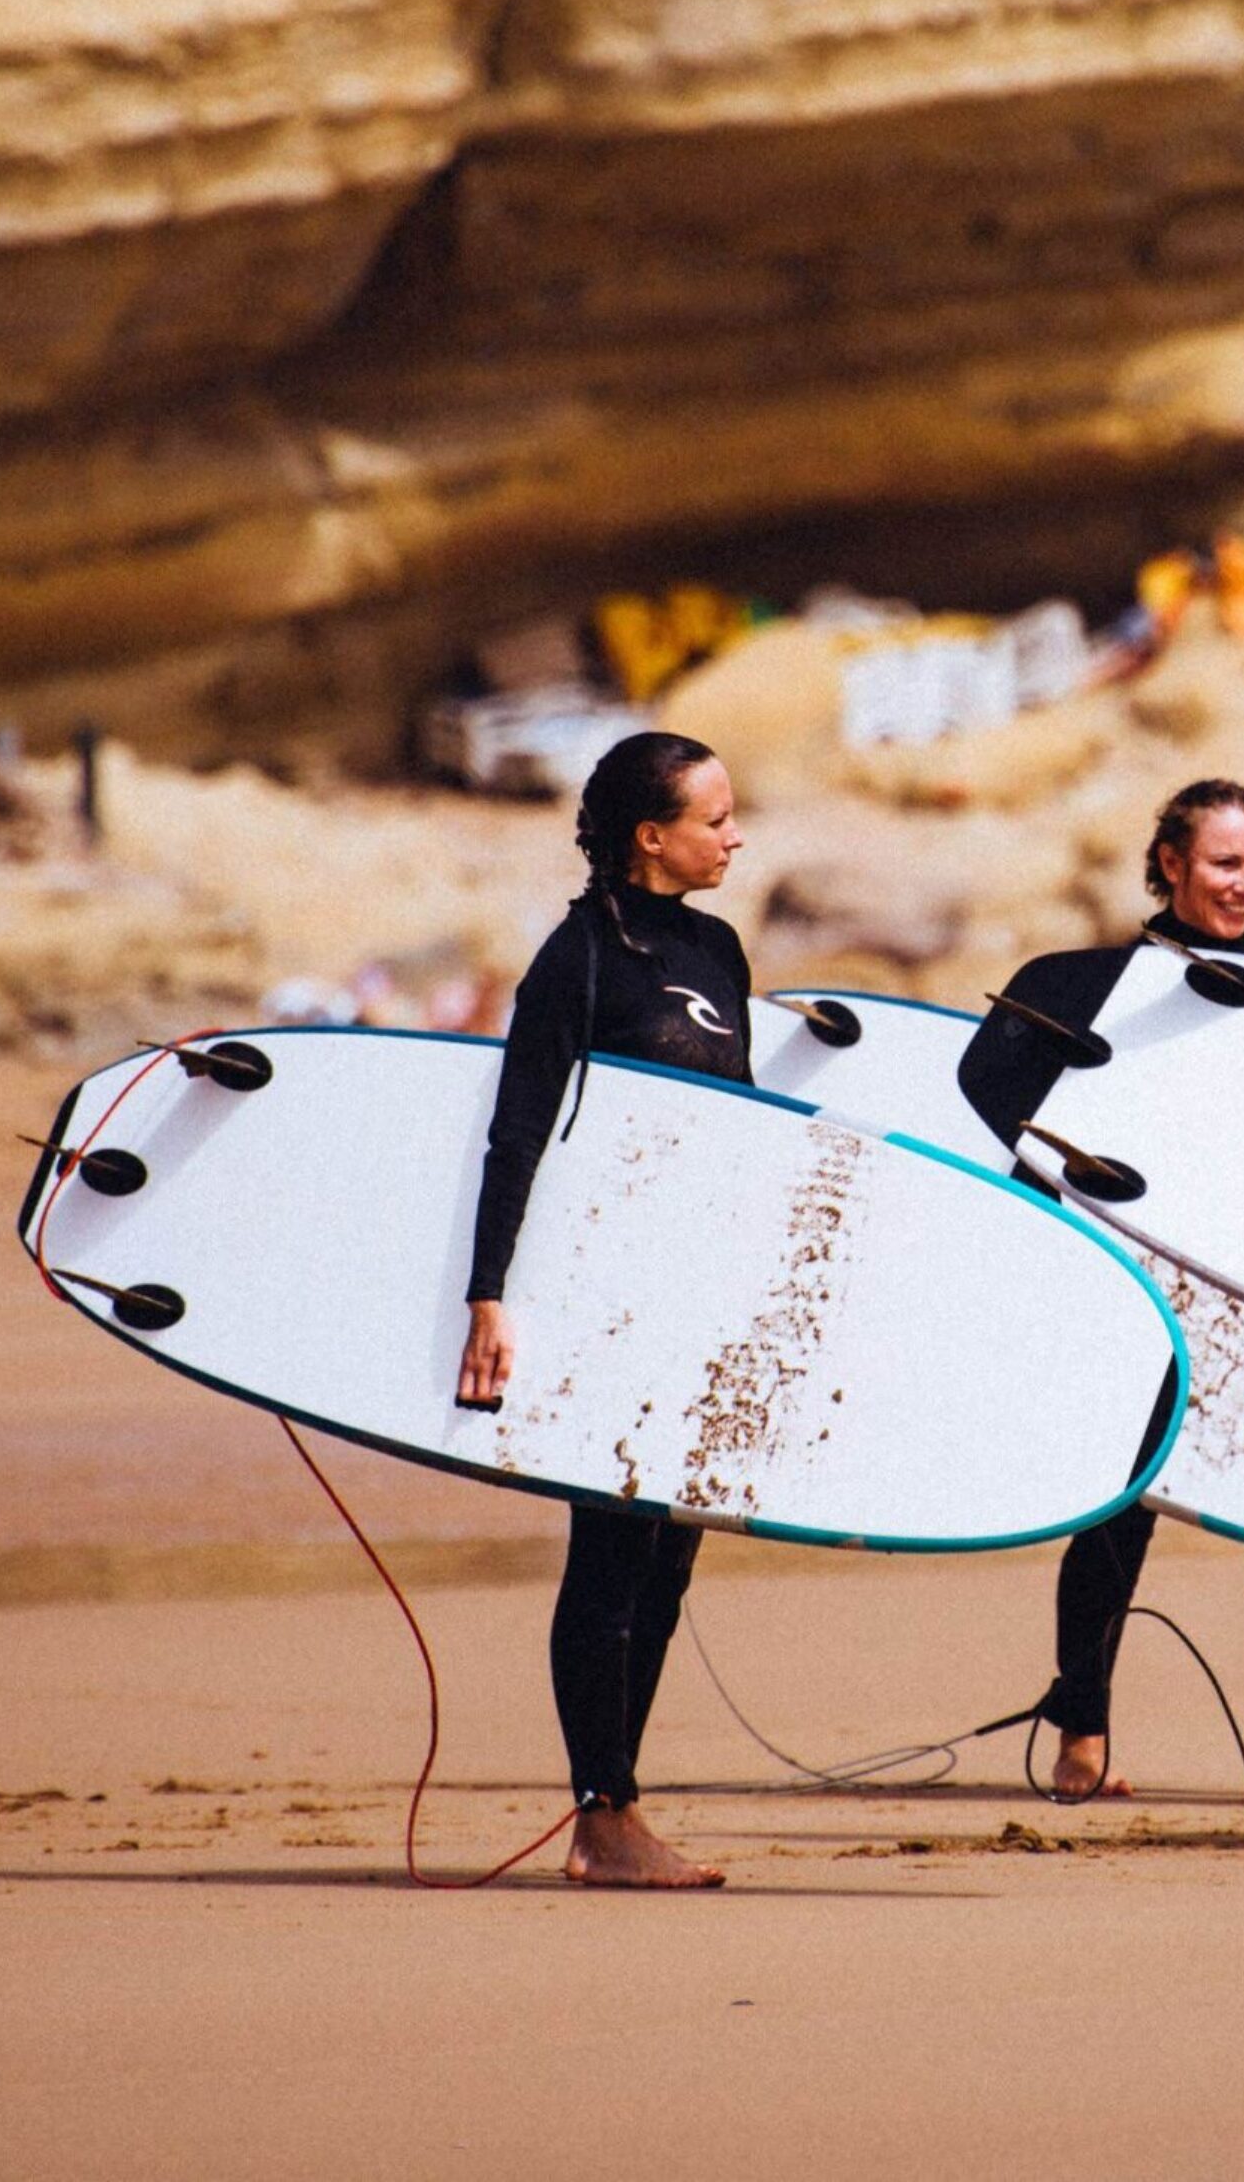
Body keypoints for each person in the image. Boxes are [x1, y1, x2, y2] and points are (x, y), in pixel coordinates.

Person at [958, 778, 1244, 1803]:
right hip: (1137, 1277)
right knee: (1120, 1507)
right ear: (1169, 862)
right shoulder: (1103, 983)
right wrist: (1066, 1224)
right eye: (1224, 864)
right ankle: (1080, 1730)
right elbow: (994, 1093)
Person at [458, 731, 749, 1889]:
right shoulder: (576, 959)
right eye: (715, 818)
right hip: (601, 1298)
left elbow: (742, 1138)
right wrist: (490, 1296)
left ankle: (619, 1804)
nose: (735, 835)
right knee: (609, 1547)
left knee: (669, 1553)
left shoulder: (719, 949)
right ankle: (602, 1812)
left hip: (694, 1294)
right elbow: (517, 1131)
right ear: (651, 836)